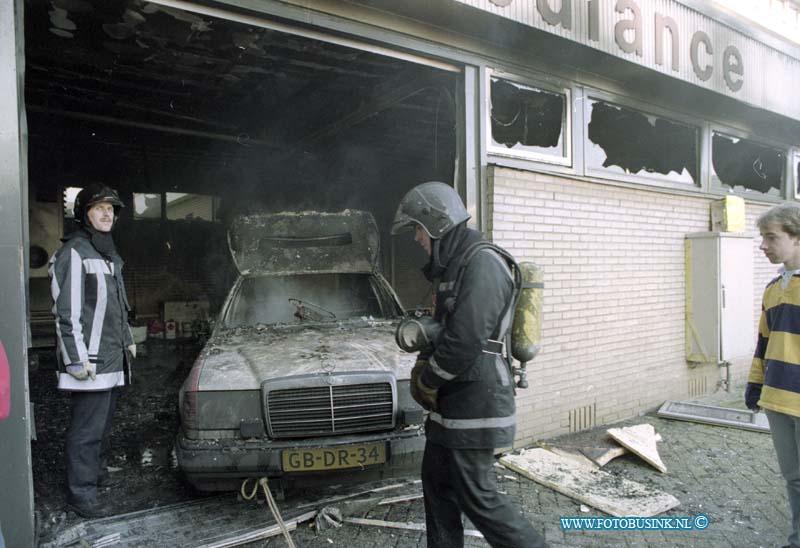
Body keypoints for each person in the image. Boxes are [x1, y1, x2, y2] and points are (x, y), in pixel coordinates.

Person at [391, 181, 548, 548]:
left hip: (478, 403)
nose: (416, 238)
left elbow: (465, 339)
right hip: (453, 408)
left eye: (417, 228)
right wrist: (425, 357)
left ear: (436, 223)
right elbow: (444, 330)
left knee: (480, 499)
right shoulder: (454, 267)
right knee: (437, 486)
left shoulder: (483, 262)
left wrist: (428, 379)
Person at [49, 184, 136, 519]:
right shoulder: (75, 252)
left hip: (113, 358)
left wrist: (128, 338)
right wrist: (75, 359)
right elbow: (66, 312)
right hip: (89, 361)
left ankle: (95, 477)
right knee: (86, 431)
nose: (106, 214)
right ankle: (81, 494)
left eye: (111, 210)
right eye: (99, 208)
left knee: (102, 425)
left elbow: (119, 305)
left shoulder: (109, 254)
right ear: (84, 213)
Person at [746, 202, 800, 548]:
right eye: (762, 238)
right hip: (778, 397)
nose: (763, 246)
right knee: (794, 479)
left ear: (797, 239)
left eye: (771, 237)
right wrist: (754, 385)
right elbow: (763, 343)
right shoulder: (772, 287)